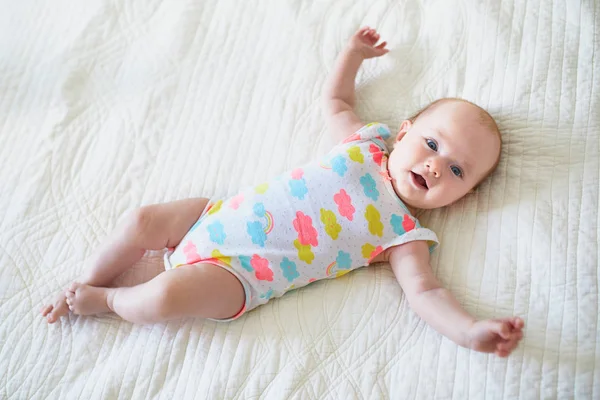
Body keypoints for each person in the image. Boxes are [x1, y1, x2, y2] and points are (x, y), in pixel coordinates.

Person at [42, 27, 524, 357]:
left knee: (162, 297)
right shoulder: (366, 142)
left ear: (464, 196)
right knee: (142, 220)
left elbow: (426, 293)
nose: (434, 166)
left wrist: (469, 331)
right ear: (403, 132)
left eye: (458, 170)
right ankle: (87, 279)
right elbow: (336, 100)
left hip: (239, 276)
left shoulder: (405, 234)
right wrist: (353, 55)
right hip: (210, 217)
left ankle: (103, 301)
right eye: (432, 144)